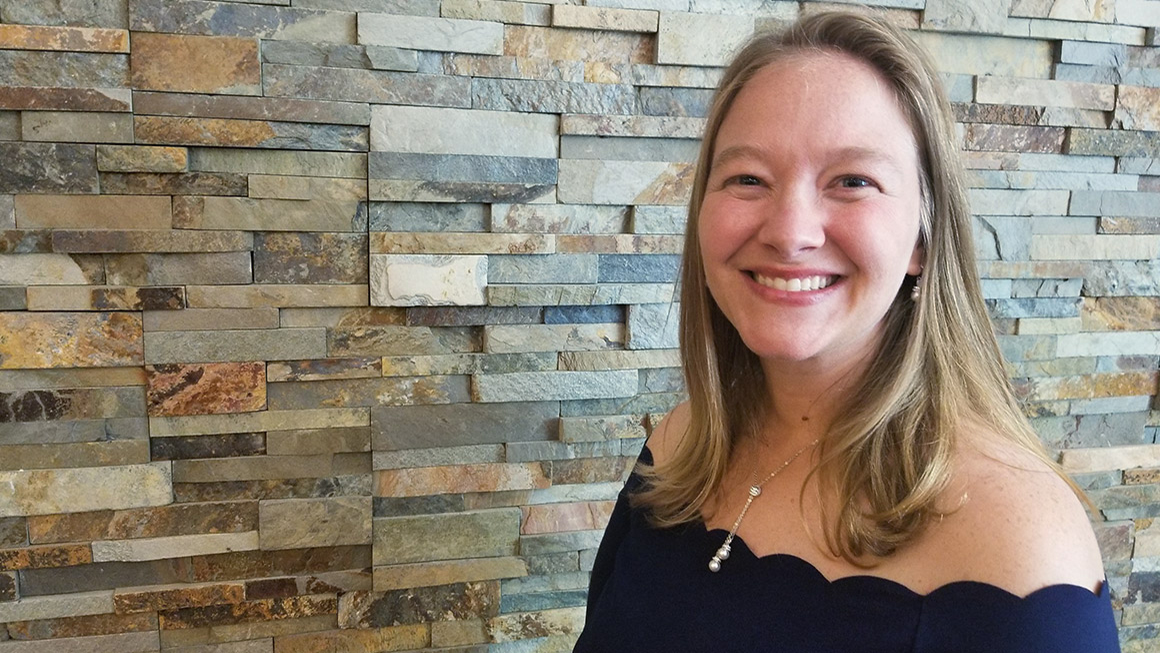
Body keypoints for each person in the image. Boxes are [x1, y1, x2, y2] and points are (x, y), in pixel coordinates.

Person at [573, 9, 1120, 653]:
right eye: (748, 178)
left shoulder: (1017, 542)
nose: (789, 231)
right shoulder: (678, 445)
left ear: (922, 238)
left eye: (853, 181)